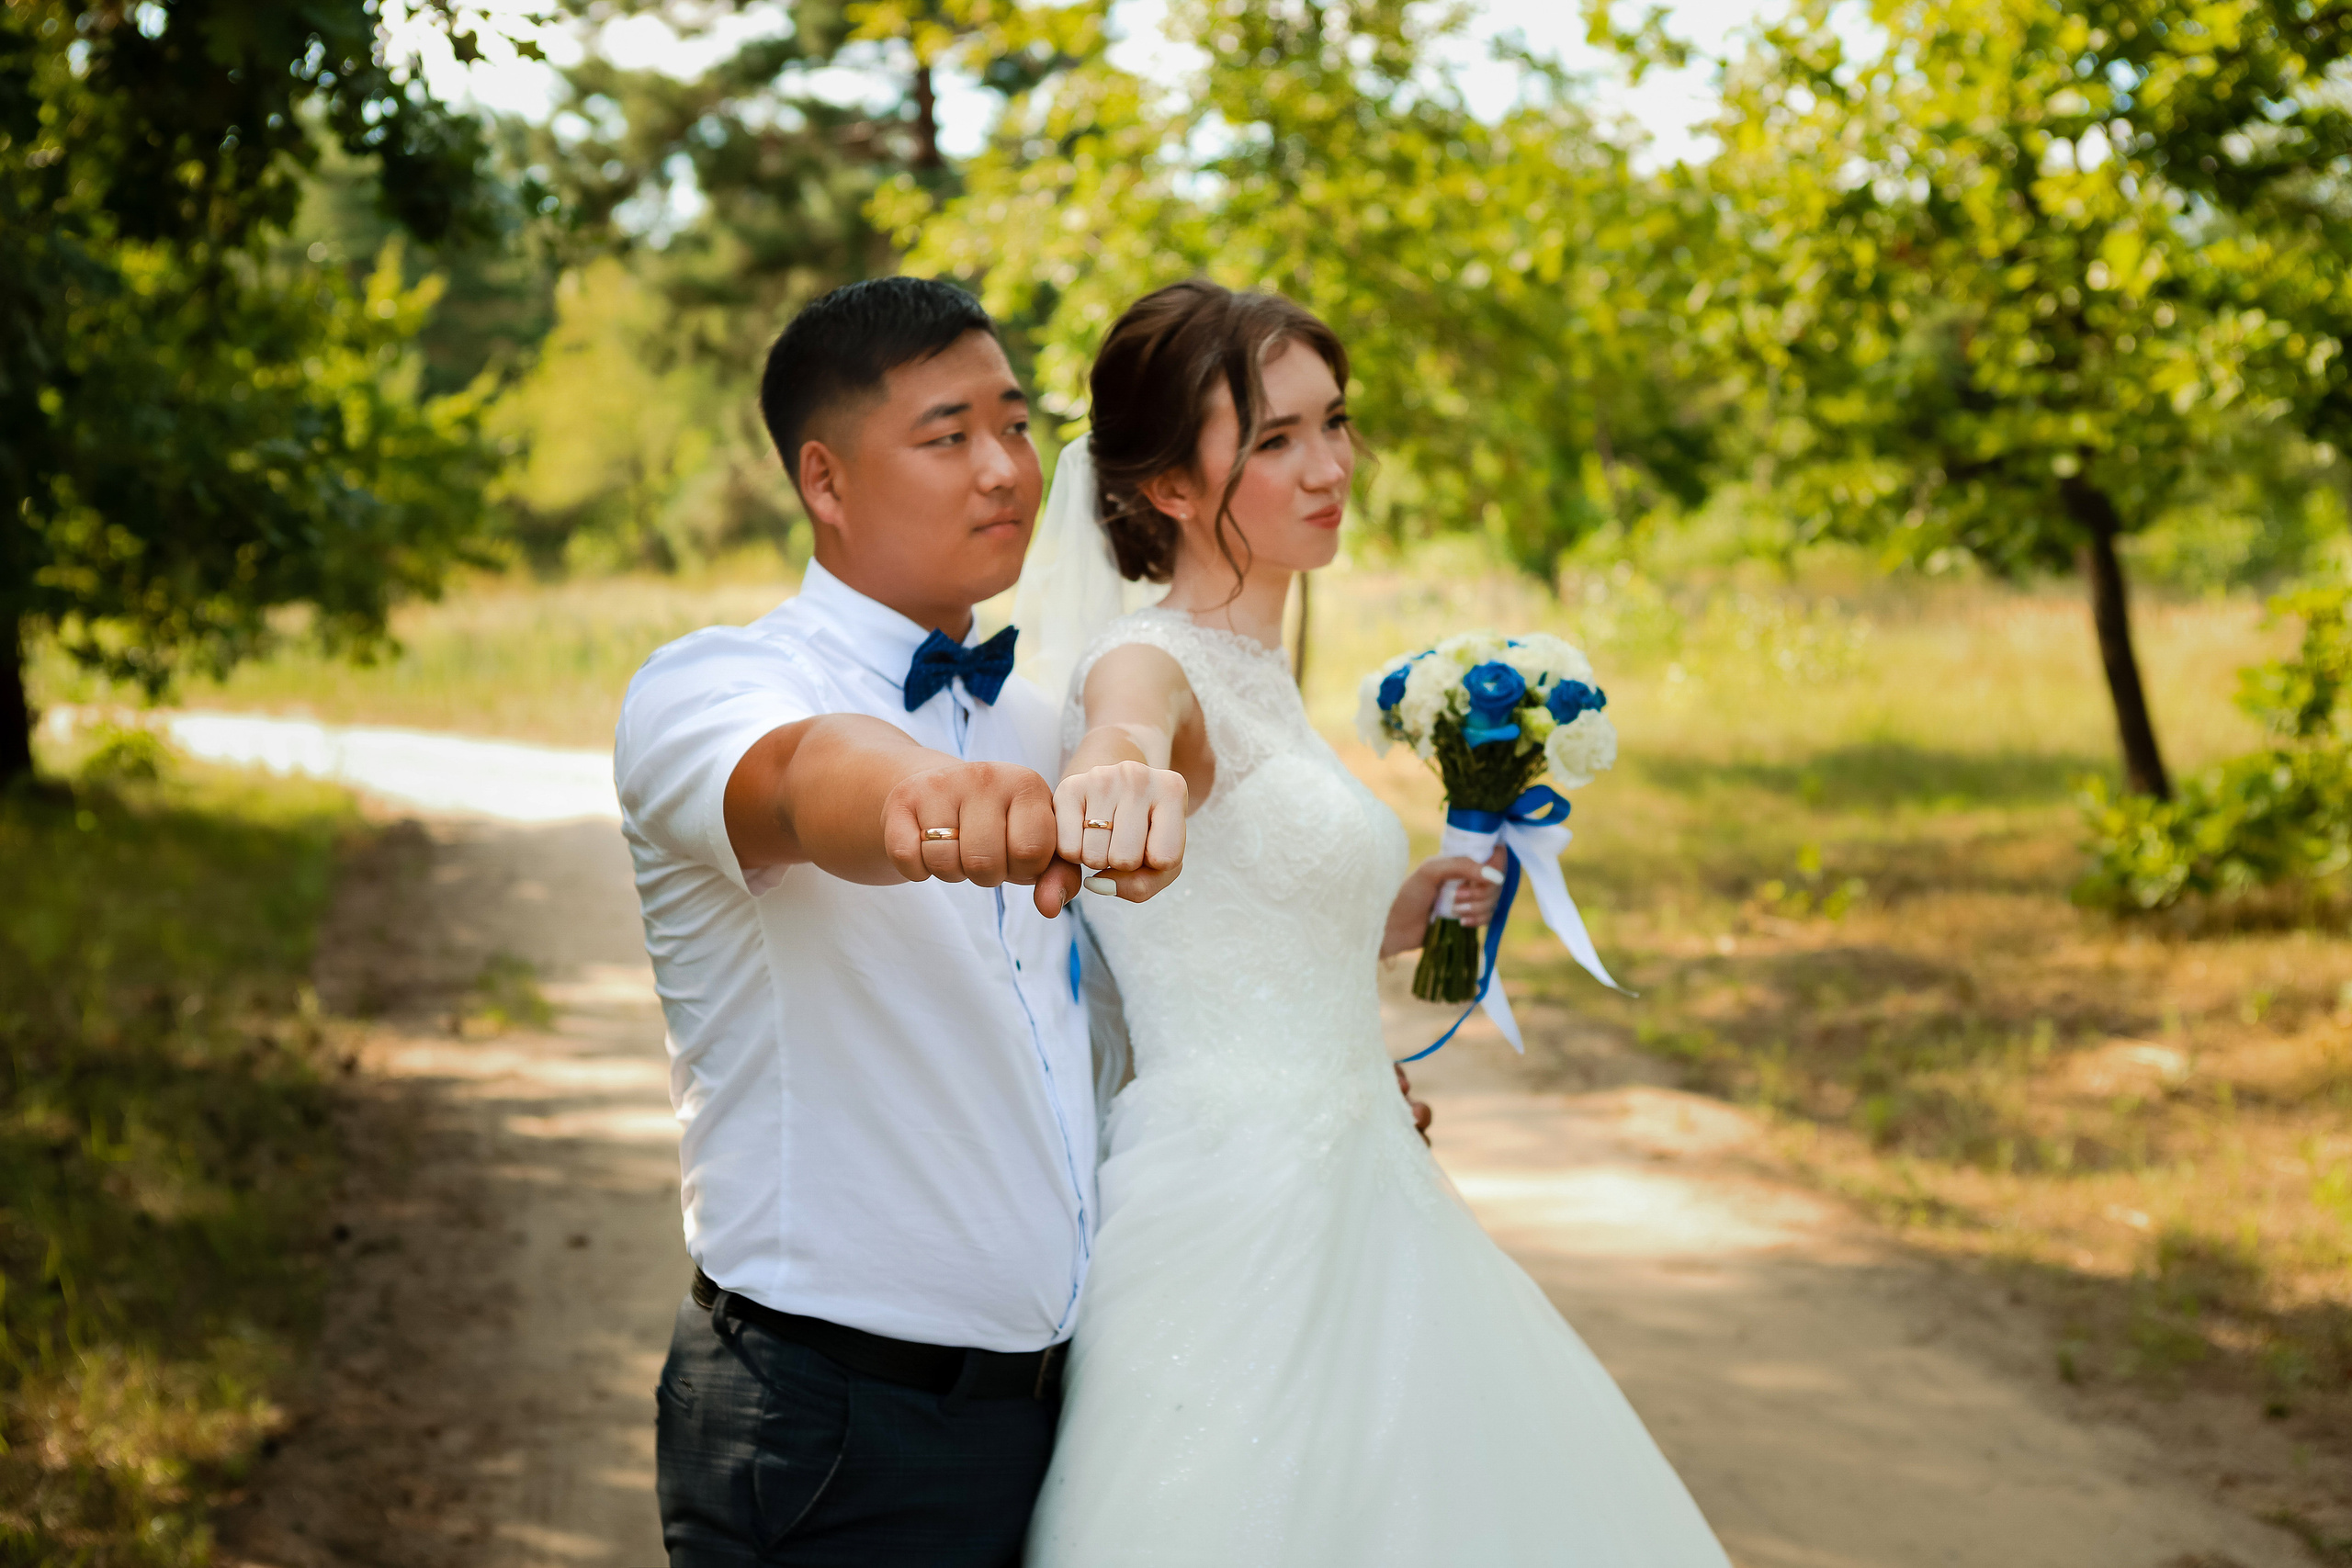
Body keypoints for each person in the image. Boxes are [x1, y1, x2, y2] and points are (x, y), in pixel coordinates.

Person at [612, 276, 1489, 1566]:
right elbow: (812, 776)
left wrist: (1314, 1096)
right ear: (824, 481)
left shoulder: (1038, 718)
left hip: (1060, 1408)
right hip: (833, 1420)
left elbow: (1123, 1011)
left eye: (1017, 427)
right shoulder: (717, 686)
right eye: (948, 435)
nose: (1004, 470)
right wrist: (936, 797)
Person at [1023, 279, 1734, 1564]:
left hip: (1367, 1178)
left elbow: (1240, 918)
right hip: (1238, 1201)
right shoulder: (1153, 663)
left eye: (1335, 422)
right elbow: (1127, 729)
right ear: (1171, 486)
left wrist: (1388, 916)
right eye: (1276, 439)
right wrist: (1113, 770)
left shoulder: (1262, 677)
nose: (1330, 465)